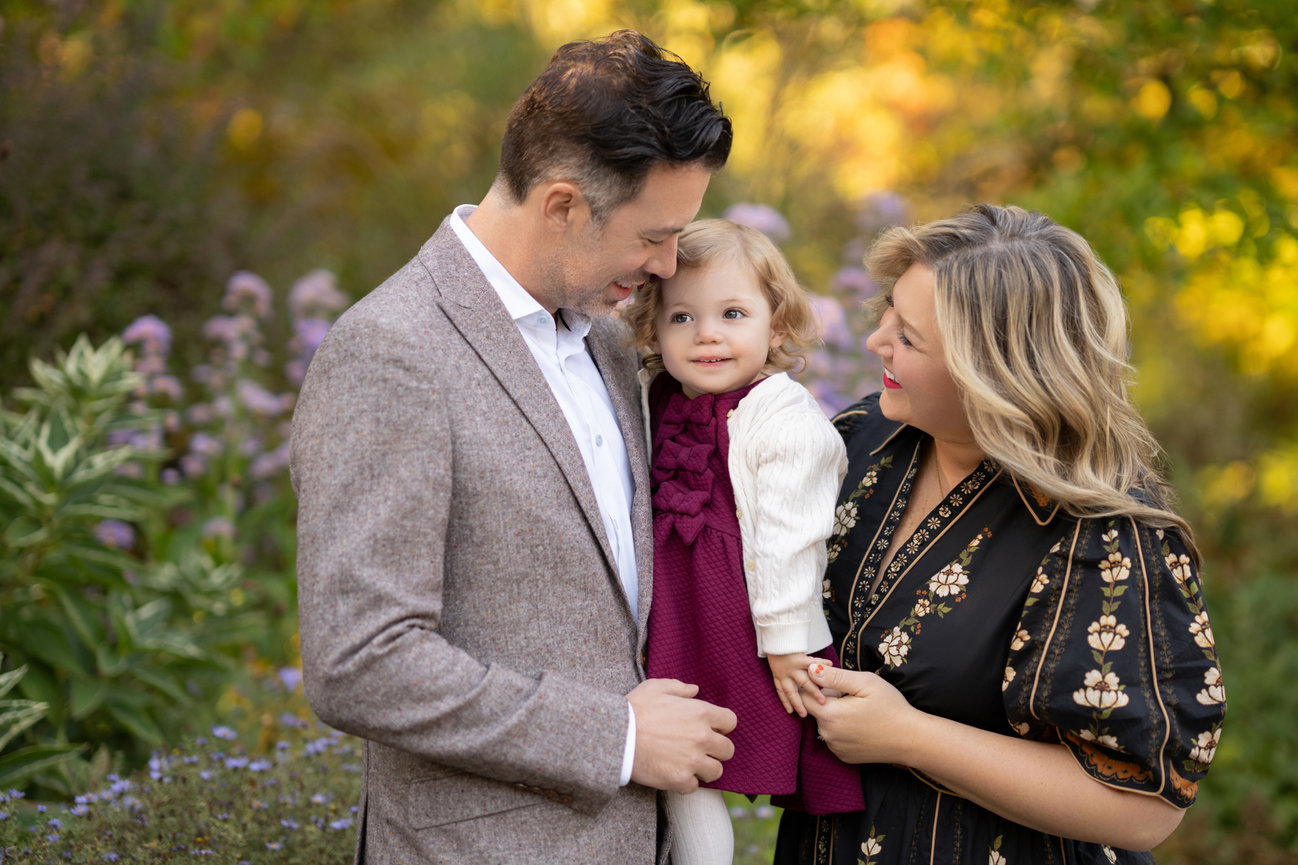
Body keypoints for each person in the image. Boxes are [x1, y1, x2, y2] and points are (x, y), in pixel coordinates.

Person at [290, 30, 739, 865]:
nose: (669, 263)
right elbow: (361, 660)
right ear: (562, 204)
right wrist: (616, 736)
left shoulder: (610, 340)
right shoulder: (391, 352)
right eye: (653, 235)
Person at [775, 204, 1226, 865]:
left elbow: (1144, 808)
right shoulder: (862, 441)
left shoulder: (1106, 535)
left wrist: (910, 736)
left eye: (909, 338)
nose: (875, 341)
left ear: (993, 375)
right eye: (889, 312)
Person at [621, 218, 864, 865]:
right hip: (670, 611)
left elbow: (792, 541)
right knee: (676, 760)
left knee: (713, 757)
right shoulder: (651, 393)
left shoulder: (784, 417)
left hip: (738, 619)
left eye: (733, 313)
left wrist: (785, 642)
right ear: (653, 330)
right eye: (681, 317)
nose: (707, 333)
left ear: (776, 327)